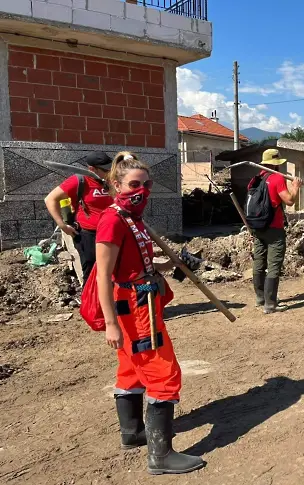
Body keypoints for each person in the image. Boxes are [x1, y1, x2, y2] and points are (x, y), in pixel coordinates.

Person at [95, 152, 205, 475]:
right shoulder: (113, 221)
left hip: (142, 301)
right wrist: (111, 324)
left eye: (146, 184)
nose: (141, 190)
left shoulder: (132, 219)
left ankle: (132, 432)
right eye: (133, 184)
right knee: (163, 371)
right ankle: (161, 456)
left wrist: (172, 264)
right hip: (135, 309)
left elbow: (140, 266)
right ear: (116, 185)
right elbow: (104, 275)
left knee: (131, 368)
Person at [45, 152, 113, 285]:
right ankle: (90, 303)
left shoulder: (113, 180)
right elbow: (50, 199)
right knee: (92, 272)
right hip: (89, 235)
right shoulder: (80, 180)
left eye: (112, 168)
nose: (110, 172)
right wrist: (63, 225)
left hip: (112, 232)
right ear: (92, 169)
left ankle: (113, 302)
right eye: (106, 170)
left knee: (113, 271)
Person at [250, 149, 303, 314]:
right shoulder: (277, 178)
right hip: (274, 229)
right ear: (275, 163)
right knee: (273, 265)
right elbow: (289, 201)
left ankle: (260, 298)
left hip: (257, 227)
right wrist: (295, 187)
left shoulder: (255, 179)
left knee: (259, 262)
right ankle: (270, 304)